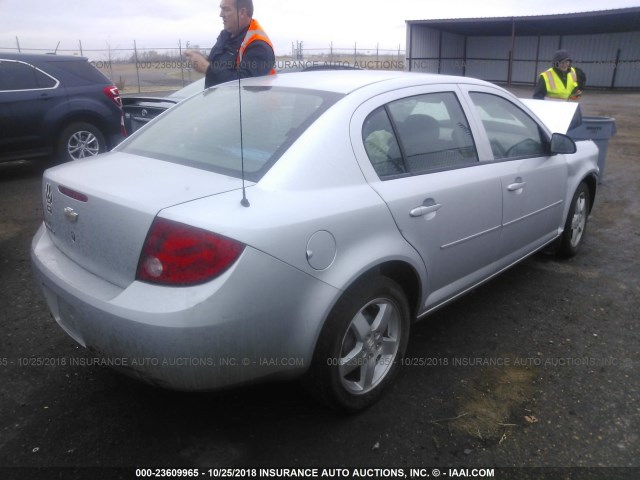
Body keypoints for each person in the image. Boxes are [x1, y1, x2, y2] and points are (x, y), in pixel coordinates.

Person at [185, 0, 275, 88]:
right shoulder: (225, 35)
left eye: (226, 9)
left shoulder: (259, 45)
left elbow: (245, 84)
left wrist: (206, 68)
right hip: (217, 100)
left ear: (242, 12)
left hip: (248, 102)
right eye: (221, 9)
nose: (221, 14)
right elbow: (218, 66)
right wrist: (202, 59)